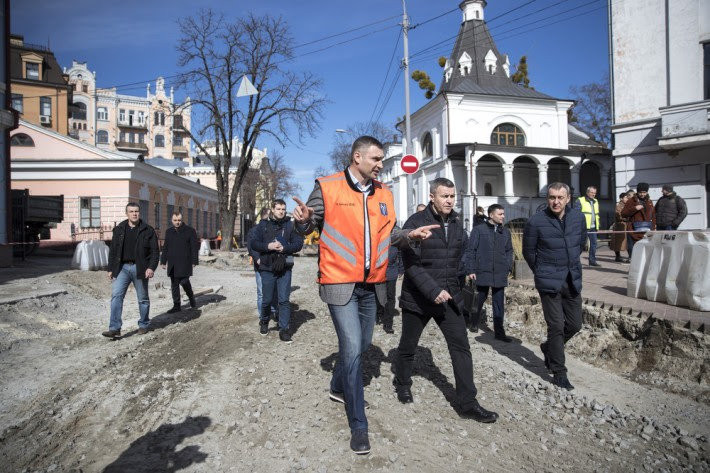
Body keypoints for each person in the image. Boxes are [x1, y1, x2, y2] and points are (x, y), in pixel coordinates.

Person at [292, 135, 437, 455]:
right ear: (357, 157)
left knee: (359, 345)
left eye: (382, 159)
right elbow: (308, 224)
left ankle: (337, 386)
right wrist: (303, 222)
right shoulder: (328, 187)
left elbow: (390, 234)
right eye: (375, 159)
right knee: (354, 347)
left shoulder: (384, 193)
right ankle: (359, 425)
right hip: (339, 282)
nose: (381, 164)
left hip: (372, 285)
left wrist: (409, 234)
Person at [393, 178, 499, 423]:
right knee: (408, 346)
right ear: (432, 197)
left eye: (452, 196)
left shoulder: (457, 221)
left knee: (461, 347)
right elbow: (411, 265)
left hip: (450, 296)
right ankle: (402, 382)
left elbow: (460, 255)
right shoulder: (415, 223)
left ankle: (467, 403)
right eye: (445, 196)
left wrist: (466, 274)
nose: (450, 200)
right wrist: (432, 290)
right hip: (419, 298)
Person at [523, 182, 586, 391]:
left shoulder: (578, 217)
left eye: (560, 197)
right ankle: (559, 372)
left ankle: (548, 347)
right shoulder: (536, 221)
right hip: (549, 281)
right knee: (556, 326)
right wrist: (542, 271)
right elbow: (528, 252)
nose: (556, 202)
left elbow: (581, 242)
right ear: (547, 198)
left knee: (575, 324)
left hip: (572, 279)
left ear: (568, 198)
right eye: (552, 197)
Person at [249, 199, 303, 343]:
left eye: (283, 209)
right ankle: (264, 320)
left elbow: (299, 244)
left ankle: (284, 329)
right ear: (273, 209)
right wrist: (269, 246)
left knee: (284, 300)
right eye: (278, 209)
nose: (281, 211)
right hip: (267, 268)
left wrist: (285, 248)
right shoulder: (263, 225)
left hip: (284, 268)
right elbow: (254, 243)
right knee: (266, 299)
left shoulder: (290, 225)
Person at [103, 202, 159, 338]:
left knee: (143, 298)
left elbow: (155, 252)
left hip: (140, 268)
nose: (134, 214)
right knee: (116, 296)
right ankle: (114, 328)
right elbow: (113, 251)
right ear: (126, 213)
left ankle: (143, 324)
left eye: (136, 211)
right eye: (131, 211)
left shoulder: (148, 230)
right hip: (122, 268)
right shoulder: (119, 229)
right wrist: (110, 269)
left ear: (139, 213)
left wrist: (151, 267)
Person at [465, 204, 513, 341]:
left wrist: (508, 266)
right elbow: (471, 250)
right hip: (482, 270)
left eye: (503, 214)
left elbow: (509, 251)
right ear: (491, 215)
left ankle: (499, 332)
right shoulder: (478, 230)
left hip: (499, 272)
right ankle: (474, 322)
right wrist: (471, 269)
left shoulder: (506, 232)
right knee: (479, 299)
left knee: (499, 303)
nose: (503, 216)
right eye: (500, 214)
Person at [160, 211, 199, 313]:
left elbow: (194, 247)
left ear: (182, 220)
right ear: (171, 220)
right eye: (175, 220)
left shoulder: (190, 231)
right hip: (172, 262)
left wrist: (194, 260)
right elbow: (166, 247)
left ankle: (191, 297)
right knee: (174, 284)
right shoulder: (169, 231)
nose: (177, 222)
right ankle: (176, 305)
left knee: (184, 281)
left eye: (179, 220)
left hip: (185, 261)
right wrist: (163, 261)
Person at [247, 208, 278, 322]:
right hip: (260, 265)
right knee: (261, 292)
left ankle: (274, 312)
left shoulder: (273, 228)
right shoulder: (254, 230)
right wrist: (257, 258)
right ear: (267, 215)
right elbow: (251, 247)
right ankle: (262, 316)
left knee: (273, 290)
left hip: (272, 264)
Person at [375, 224, 404, 334]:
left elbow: (401, 254)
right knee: (377, 294)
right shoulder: (377, 232)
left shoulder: (396, 235)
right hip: (378, 271)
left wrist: (401, 269)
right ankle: (377, 315)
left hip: (391, 271)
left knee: (391, 297)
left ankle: (388, 323)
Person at [621, 182, 655, 257]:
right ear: (637, 191)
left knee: (645, 252)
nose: (642, 194)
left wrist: (653, 228)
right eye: (640, 192)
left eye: (644, 192)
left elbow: (653, 216)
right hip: (633, 230)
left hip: (646, 230)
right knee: (633, 250)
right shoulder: (631, 201)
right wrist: (635, 208)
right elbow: (623, 214)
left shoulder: (649, 202)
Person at [573, 186, 601, 267]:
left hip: (593, 227)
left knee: (594, 244)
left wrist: (597, 226)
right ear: (587, 192)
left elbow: (596, 215)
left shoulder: (596, 201)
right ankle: (575, 261)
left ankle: (592, 261)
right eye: (592, 192)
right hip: (583, 227)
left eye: (595, 193)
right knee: (581, 244)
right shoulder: (580, 200)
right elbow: (576, 214)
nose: (594, 194)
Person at [611, 192, 631, 263]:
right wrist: (627, 218)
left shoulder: (627, 205)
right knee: (618, 242)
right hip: (620, 226)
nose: (627, 199)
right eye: (625, 197)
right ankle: (618, 256)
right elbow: (619, 216)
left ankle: (630, 256)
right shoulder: (619, 205)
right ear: (621, 198)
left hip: (626, 225)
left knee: (628, 242)